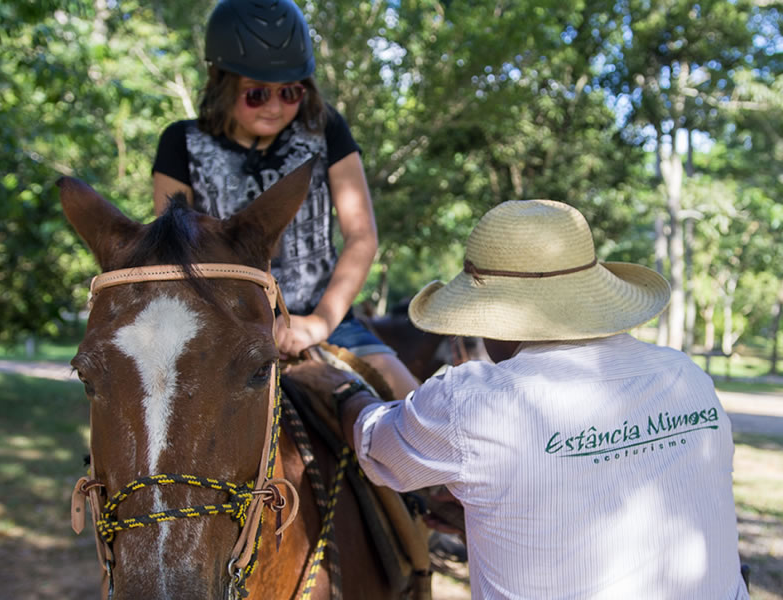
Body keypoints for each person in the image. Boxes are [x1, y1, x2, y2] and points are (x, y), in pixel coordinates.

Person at [289, 199, 750, 599]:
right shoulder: (687, 378)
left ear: (492, 319)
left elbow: (373, 445)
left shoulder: (472, 403)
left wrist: (338, 387)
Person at [151, 0, 419, 399]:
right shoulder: (181, 143)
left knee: (414, 407)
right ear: (221, 81)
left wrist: (318, 322)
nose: (276, 107)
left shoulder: (326, 128)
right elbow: (174, 257)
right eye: (256, 94)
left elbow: (362, 237)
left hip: (324, 317)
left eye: (291, 92)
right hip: (217, 325)